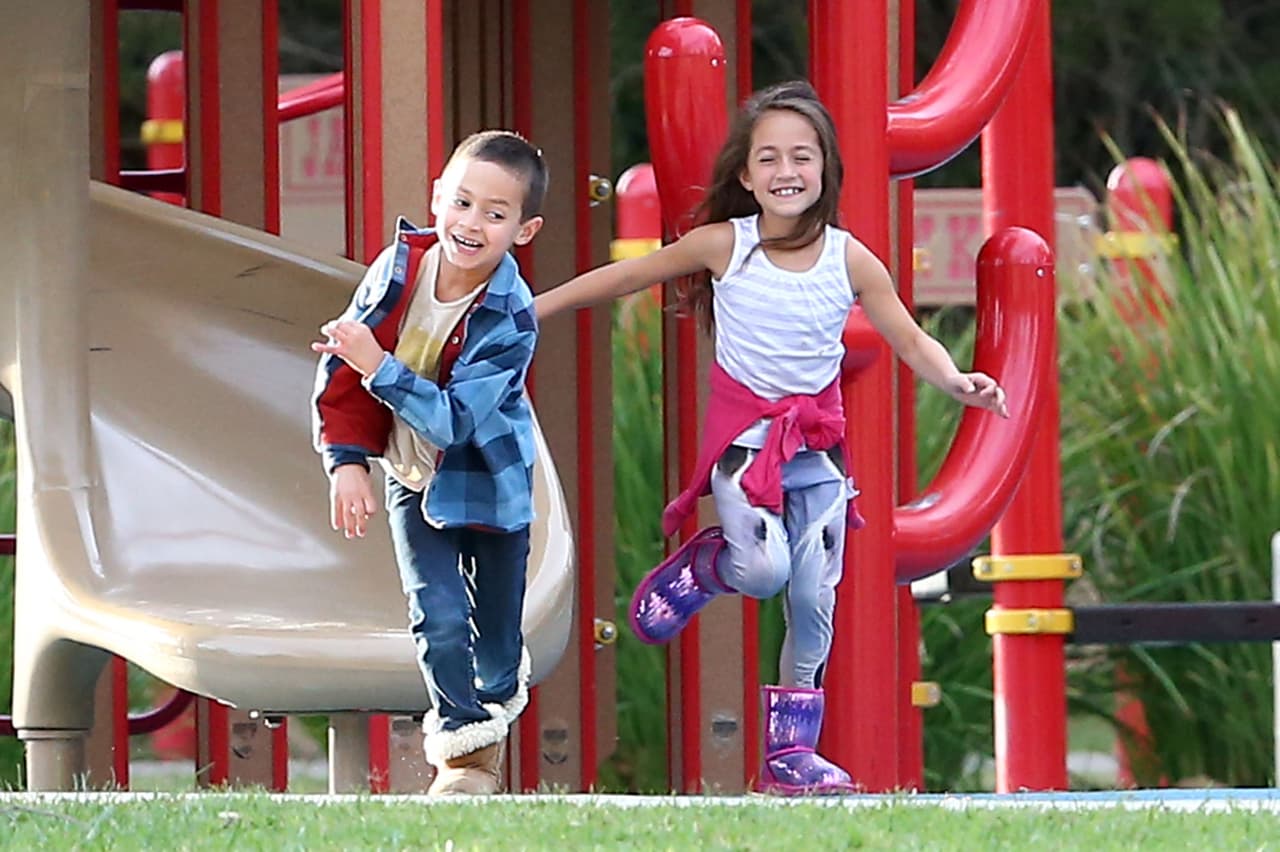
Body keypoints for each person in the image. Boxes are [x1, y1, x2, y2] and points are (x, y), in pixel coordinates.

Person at [534, 80, 1007, 795]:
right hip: (746, 450)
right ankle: (705, 568)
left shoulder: (850, 259)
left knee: (816, 600)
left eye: (803, 157)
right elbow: (628, 275)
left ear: (825, 172)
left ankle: (790, 757)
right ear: (746, 177)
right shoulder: (727, 245)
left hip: (816, 453)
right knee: (764, 571)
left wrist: (958, 381)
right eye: (770, 158)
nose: (788, 171)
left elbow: (909, 337)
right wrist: (536, 308)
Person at [311, 130, 546, 796]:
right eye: (463, 202)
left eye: (495, 214)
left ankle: (496, 686)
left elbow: (453, 420)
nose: (472, 224)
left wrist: (377, 365)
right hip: (414, 479)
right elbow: (342, 365)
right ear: (438, 197)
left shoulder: (512, 313)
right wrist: (347, 460)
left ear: (523, 230)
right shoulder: (397, 268)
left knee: (497, 645)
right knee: (437, 616)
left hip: (490, 481)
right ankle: (463, 754)